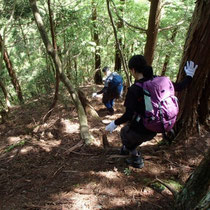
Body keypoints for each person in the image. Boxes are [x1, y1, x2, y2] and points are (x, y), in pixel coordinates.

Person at [105, 55, 198, 168]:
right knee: (132, 129)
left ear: (133, 70)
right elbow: (179, 86)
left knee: (124, 132)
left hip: (146, 128)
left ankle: (136, 158)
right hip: (160, 125)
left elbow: (128, 115)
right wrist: (189, 75)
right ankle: (127, 148)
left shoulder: (134, 89)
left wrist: (114, 123)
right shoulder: (160, 81)